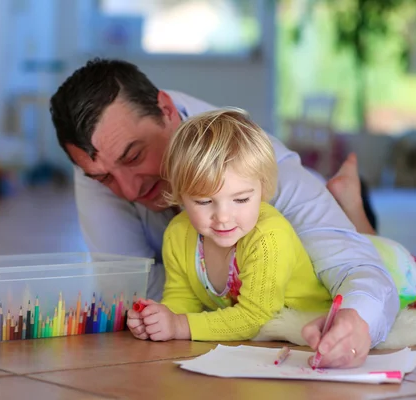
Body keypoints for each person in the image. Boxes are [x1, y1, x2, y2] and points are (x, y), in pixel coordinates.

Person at [50, 58, 396, 368]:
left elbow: (360, 269)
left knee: (388, 258)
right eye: (104, 178)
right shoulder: (98, 158)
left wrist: (357, 321)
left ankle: (349, 202)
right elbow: (127, 284)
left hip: (315, 211)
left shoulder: (270, 172)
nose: (128, 191)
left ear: (167, 110)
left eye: (134, 157)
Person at [126, 109, 416, 359]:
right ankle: (350, 203)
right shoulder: (178, 234)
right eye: (204, 202)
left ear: (264, 189)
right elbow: (181, 296)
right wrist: (162, 315)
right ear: (177, 194)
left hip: (386, 265)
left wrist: (180, 327)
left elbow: (253, 317)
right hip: (333, 255)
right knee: (364, 238)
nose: (224, 217)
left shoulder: (267, 236)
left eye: (241, 199)